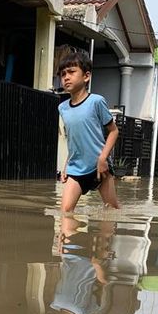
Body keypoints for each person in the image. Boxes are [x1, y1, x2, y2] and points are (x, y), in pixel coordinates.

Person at [57, 50, 120, 212]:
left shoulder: (96, 102)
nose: (66, 77)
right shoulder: (62, 108)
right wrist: (66, 166)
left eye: (71, 72)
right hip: (75, 168)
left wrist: (103, 159)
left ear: (86, 76)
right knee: (65, 212)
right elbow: (73, 139)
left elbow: (113, 131)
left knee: (111, 210)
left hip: (99, 167)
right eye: (63, 74)